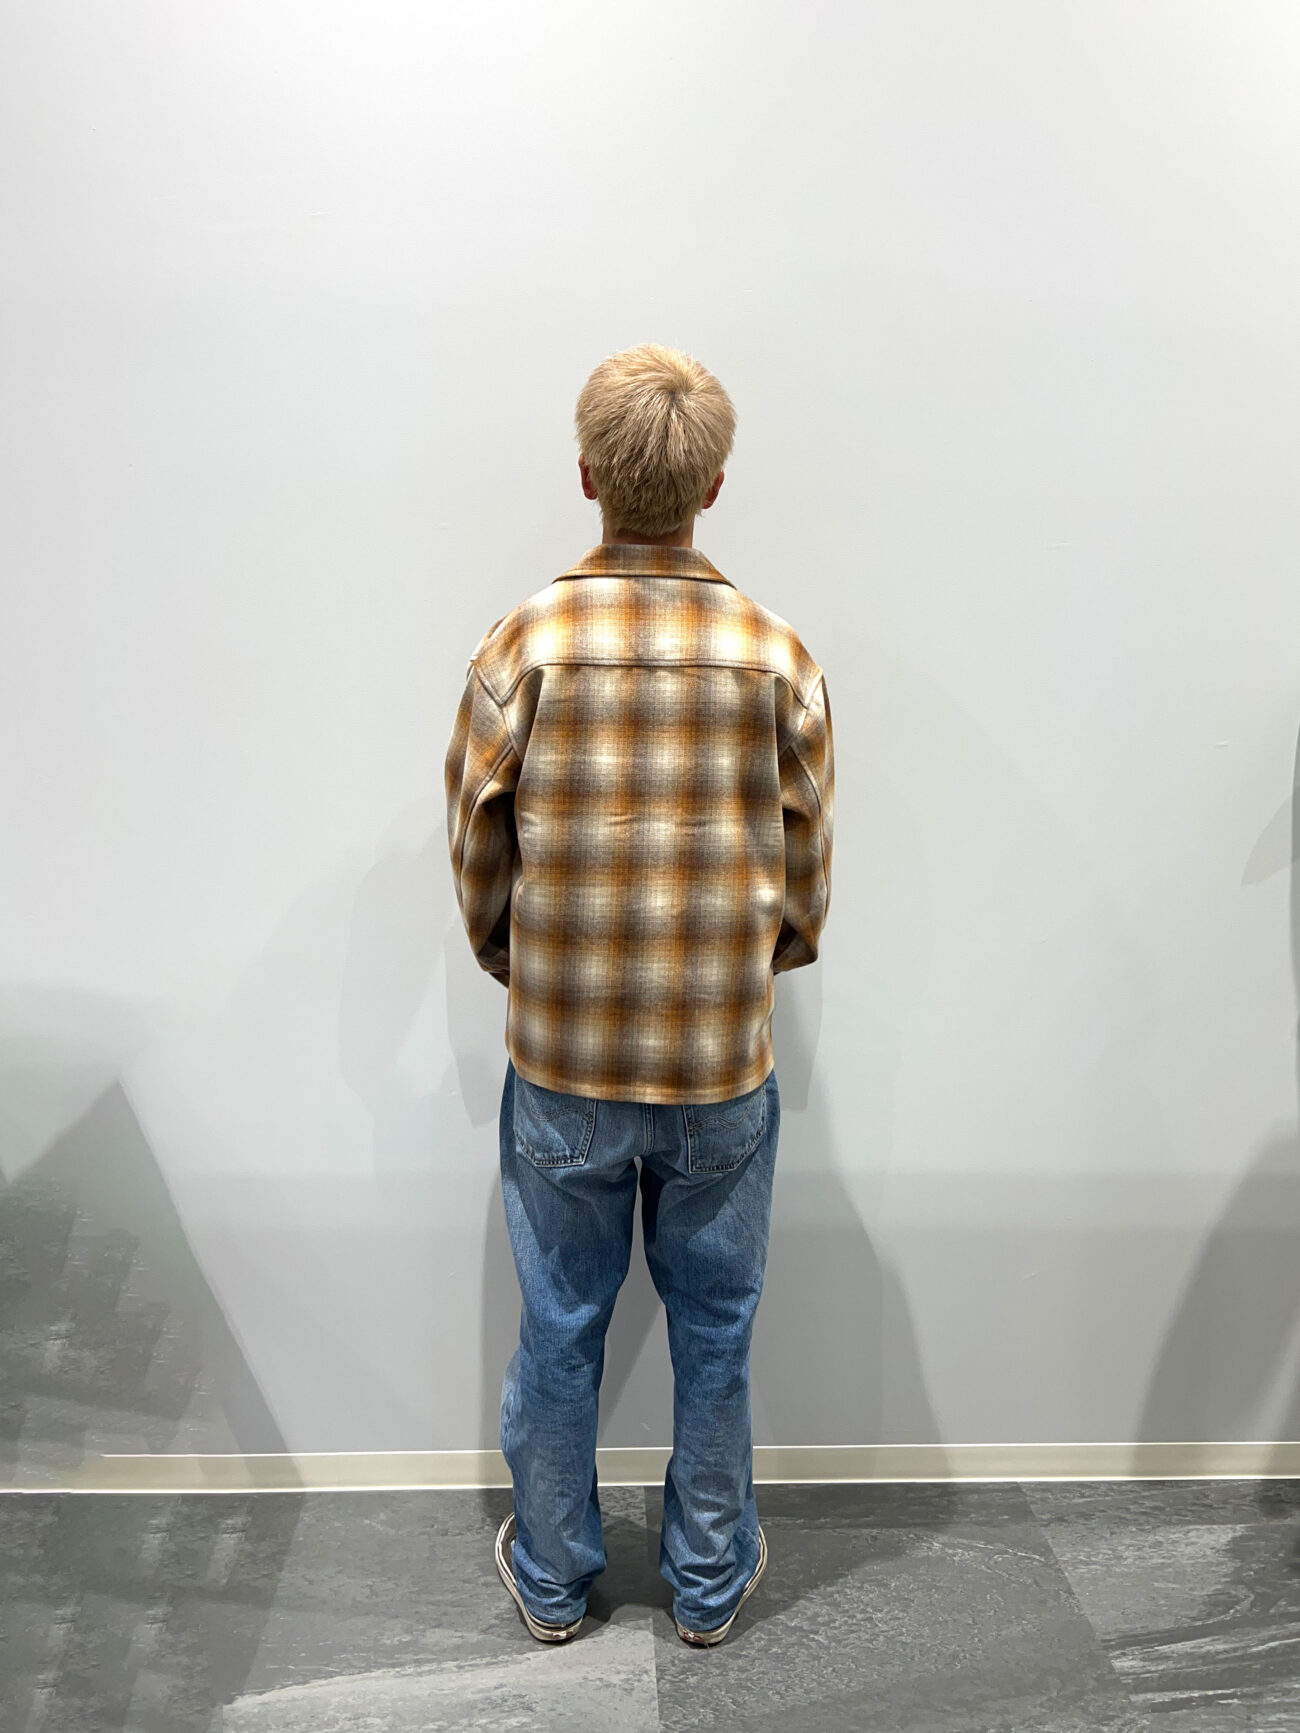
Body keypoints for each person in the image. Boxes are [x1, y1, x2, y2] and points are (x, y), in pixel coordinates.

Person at [444, 342, 834, 1647]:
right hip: (719, 1066)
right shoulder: (775, 654)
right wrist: (755, 971)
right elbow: (806, 872)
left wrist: (516, 963)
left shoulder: (526, 644)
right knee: (716, 1329)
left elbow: (477, 845)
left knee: (561, 1325)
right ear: (714, 485)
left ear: (585, 475)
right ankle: (709, 1582)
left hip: (564, 1058)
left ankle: (556, 1575)